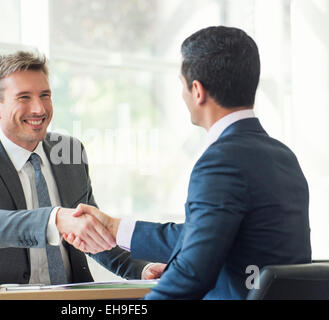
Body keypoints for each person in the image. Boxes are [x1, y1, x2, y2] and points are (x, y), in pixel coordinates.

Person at [65, 26, 312, 299]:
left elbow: (192, 274)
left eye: (181, 84)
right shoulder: (283, 156)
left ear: (197, 91)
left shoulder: (220, 162)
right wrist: (115, 228)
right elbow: (207, 234)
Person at [0, 50, 163, 287]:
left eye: (45, 95)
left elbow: (92, 235)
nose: (39, 109)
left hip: (71, 301)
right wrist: (55, 219)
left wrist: (142, 268)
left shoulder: (70, 151)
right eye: (24, 97)